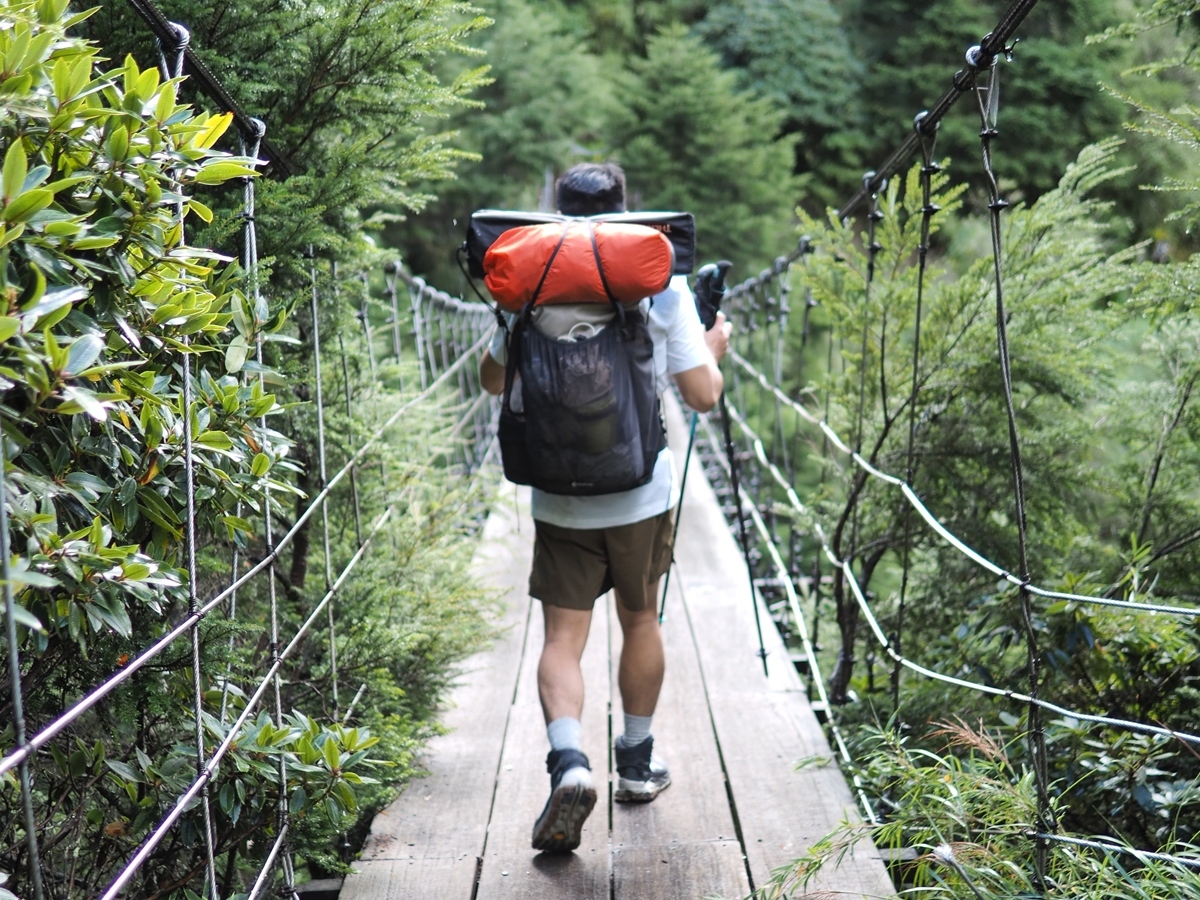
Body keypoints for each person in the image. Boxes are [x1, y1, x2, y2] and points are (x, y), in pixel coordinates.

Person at [478, 161, 731, 854]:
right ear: (624, 209)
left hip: (558, 497)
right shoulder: (656, 276)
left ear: (558, 212)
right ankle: (638, 765)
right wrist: (713, 348)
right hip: (639, 492)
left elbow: (493, 381)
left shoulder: (526, 280)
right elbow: (702, 396)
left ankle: (570, 764)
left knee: (562, 639)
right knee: (640, 616)